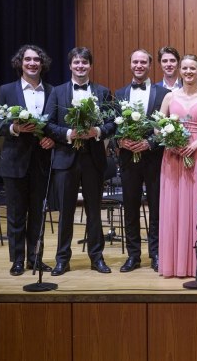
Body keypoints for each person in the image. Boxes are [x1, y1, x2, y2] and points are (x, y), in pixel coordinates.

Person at [44, 47, 116, 276]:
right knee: (65, 212)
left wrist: (96, 131)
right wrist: (68, 134)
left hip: (93, 160)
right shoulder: (57, 92)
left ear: (90, 66)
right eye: (76, 63)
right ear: (70, 66)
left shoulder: (103, 92)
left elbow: (113, 123)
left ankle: (97, 258)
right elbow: (47, 123)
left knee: (94, 211)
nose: (80, 66)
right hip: (66, 159)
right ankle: (62, 260)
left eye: (84, 63)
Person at [0, 44, 55, 276]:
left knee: (38, 214)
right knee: (16, 215)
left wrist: (52, 140)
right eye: (28, 59)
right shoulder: (7, 90)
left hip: (42, 162)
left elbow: (56, 126)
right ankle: (17, 260)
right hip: (14, 161)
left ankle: (34, 259)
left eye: (37, 59)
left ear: (42, 63)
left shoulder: (52, 90)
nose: (32, 63)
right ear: (21, 63)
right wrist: (14, 127)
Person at [158, 54, 197, 278]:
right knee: (174, 208)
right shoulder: (169, 96)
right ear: (180, 70)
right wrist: (170, 141)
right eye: (184, 68)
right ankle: (175, 264)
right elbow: (158, 127)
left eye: (192, 68)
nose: (188, 72)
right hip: (173, 157)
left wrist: (196, 143)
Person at [114, 49, 169, 272]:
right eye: (135, 61)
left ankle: (155, 254)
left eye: (143, 62)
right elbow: (113, 125)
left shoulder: (164, 93)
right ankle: (133, 255)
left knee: (156, 208)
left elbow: (166, 126)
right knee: (130, 208)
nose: (139, 65)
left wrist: (150, 143)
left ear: (149, 65)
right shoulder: (119, 94)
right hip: (128, 159)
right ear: (130, 64)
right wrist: (120, 141)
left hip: (154, 158)